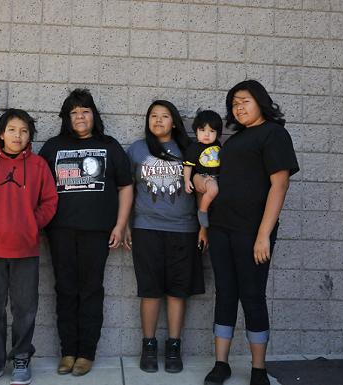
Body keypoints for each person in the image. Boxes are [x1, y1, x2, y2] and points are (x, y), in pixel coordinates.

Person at [203, 80, 299, 385]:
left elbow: (279, 185)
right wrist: (206, 225)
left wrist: (262, 235)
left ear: (261, 101)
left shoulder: (274, 134)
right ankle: (222, 364)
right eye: (234, 104)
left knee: (253, 296)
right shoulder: (233, 141)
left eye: (244, 101)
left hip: (252, 232)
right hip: (220, 229)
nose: (239, 108)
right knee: (225, 294)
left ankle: (259, 369)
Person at [38, 89, 133, 376]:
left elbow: (125, 186)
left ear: (94, 115)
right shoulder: (52, 147)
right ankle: (68, 351)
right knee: (65, 290)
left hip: (97, 231)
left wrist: (120, 224)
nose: (80, 117)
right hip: (60, 231)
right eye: (74, 112)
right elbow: (39, 187)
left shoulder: (109, 145)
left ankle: (86, 353)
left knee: (91, 290)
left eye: (85, 111)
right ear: (67, 118)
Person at [0, 109, 58, 385]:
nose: (19, 136)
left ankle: (21, 358)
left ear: (30, 136)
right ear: (2, 133)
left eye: (25, 131)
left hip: (25, 249)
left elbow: (50, 201)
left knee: (25, 307)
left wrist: (31, 224)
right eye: (13, 130)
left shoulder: (39, 165)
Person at [125, 100, 208, 374]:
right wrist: (125, 224)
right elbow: (126, 189)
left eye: (164, 116)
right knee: (149, 290)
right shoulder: (137, 149)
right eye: (153, 116)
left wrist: (203, 225)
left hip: (184, 230)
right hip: (146, 227)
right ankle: (148, 345)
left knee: (177, 292)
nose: (158, 120)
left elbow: (201, 189)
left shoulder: (189, 149)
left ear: (174, 121)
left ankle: (174, 346)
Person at [183, 110, 223, 228]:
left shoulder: (217, 145)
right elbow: (188, 165)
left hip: (217, 177)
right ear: (196, 131)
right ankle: (203, 211)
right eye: (202, 130)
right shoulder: (194, 147)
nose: (207, 134)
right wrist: (187, 181)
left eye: (211, 131)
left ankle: (208, 213)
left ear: (218, 134)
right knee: (213, 190)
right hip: (204, 177)